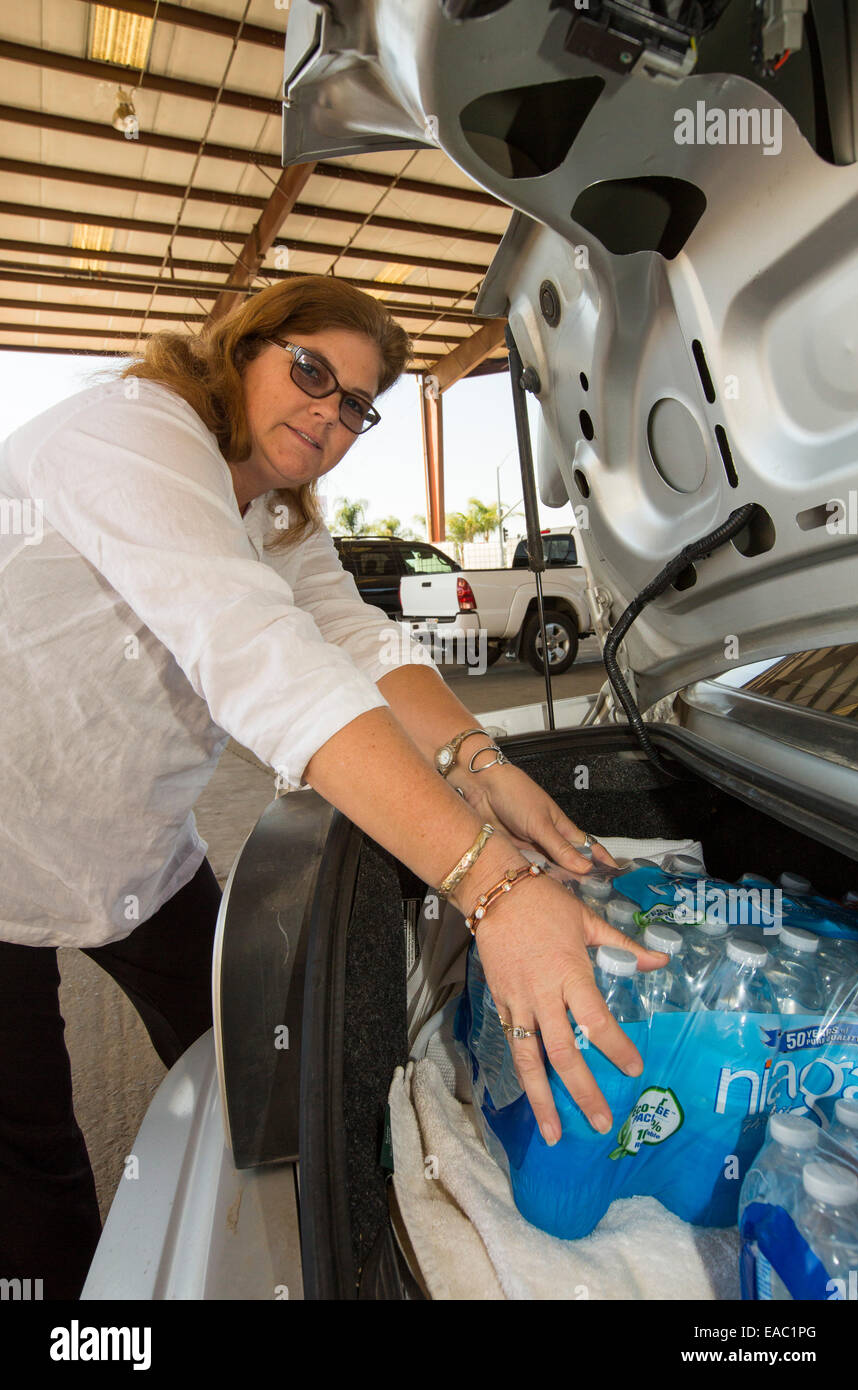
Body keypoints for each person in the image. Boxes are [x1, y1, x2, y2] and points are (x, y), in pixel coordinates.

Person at [0, 275, 666, 1299]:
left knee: (258, 1055)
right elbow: (263, 658)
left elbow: (352, 636)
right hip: (10, 826)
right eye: (312, 370)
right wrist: (488, 885)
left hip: (137, 841)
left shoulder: (275, 511)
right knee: (28, 1144)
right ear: (242, 344)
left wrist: (478, 763)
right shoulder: (133, 435)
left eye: (357, 404)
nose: (331, 414)